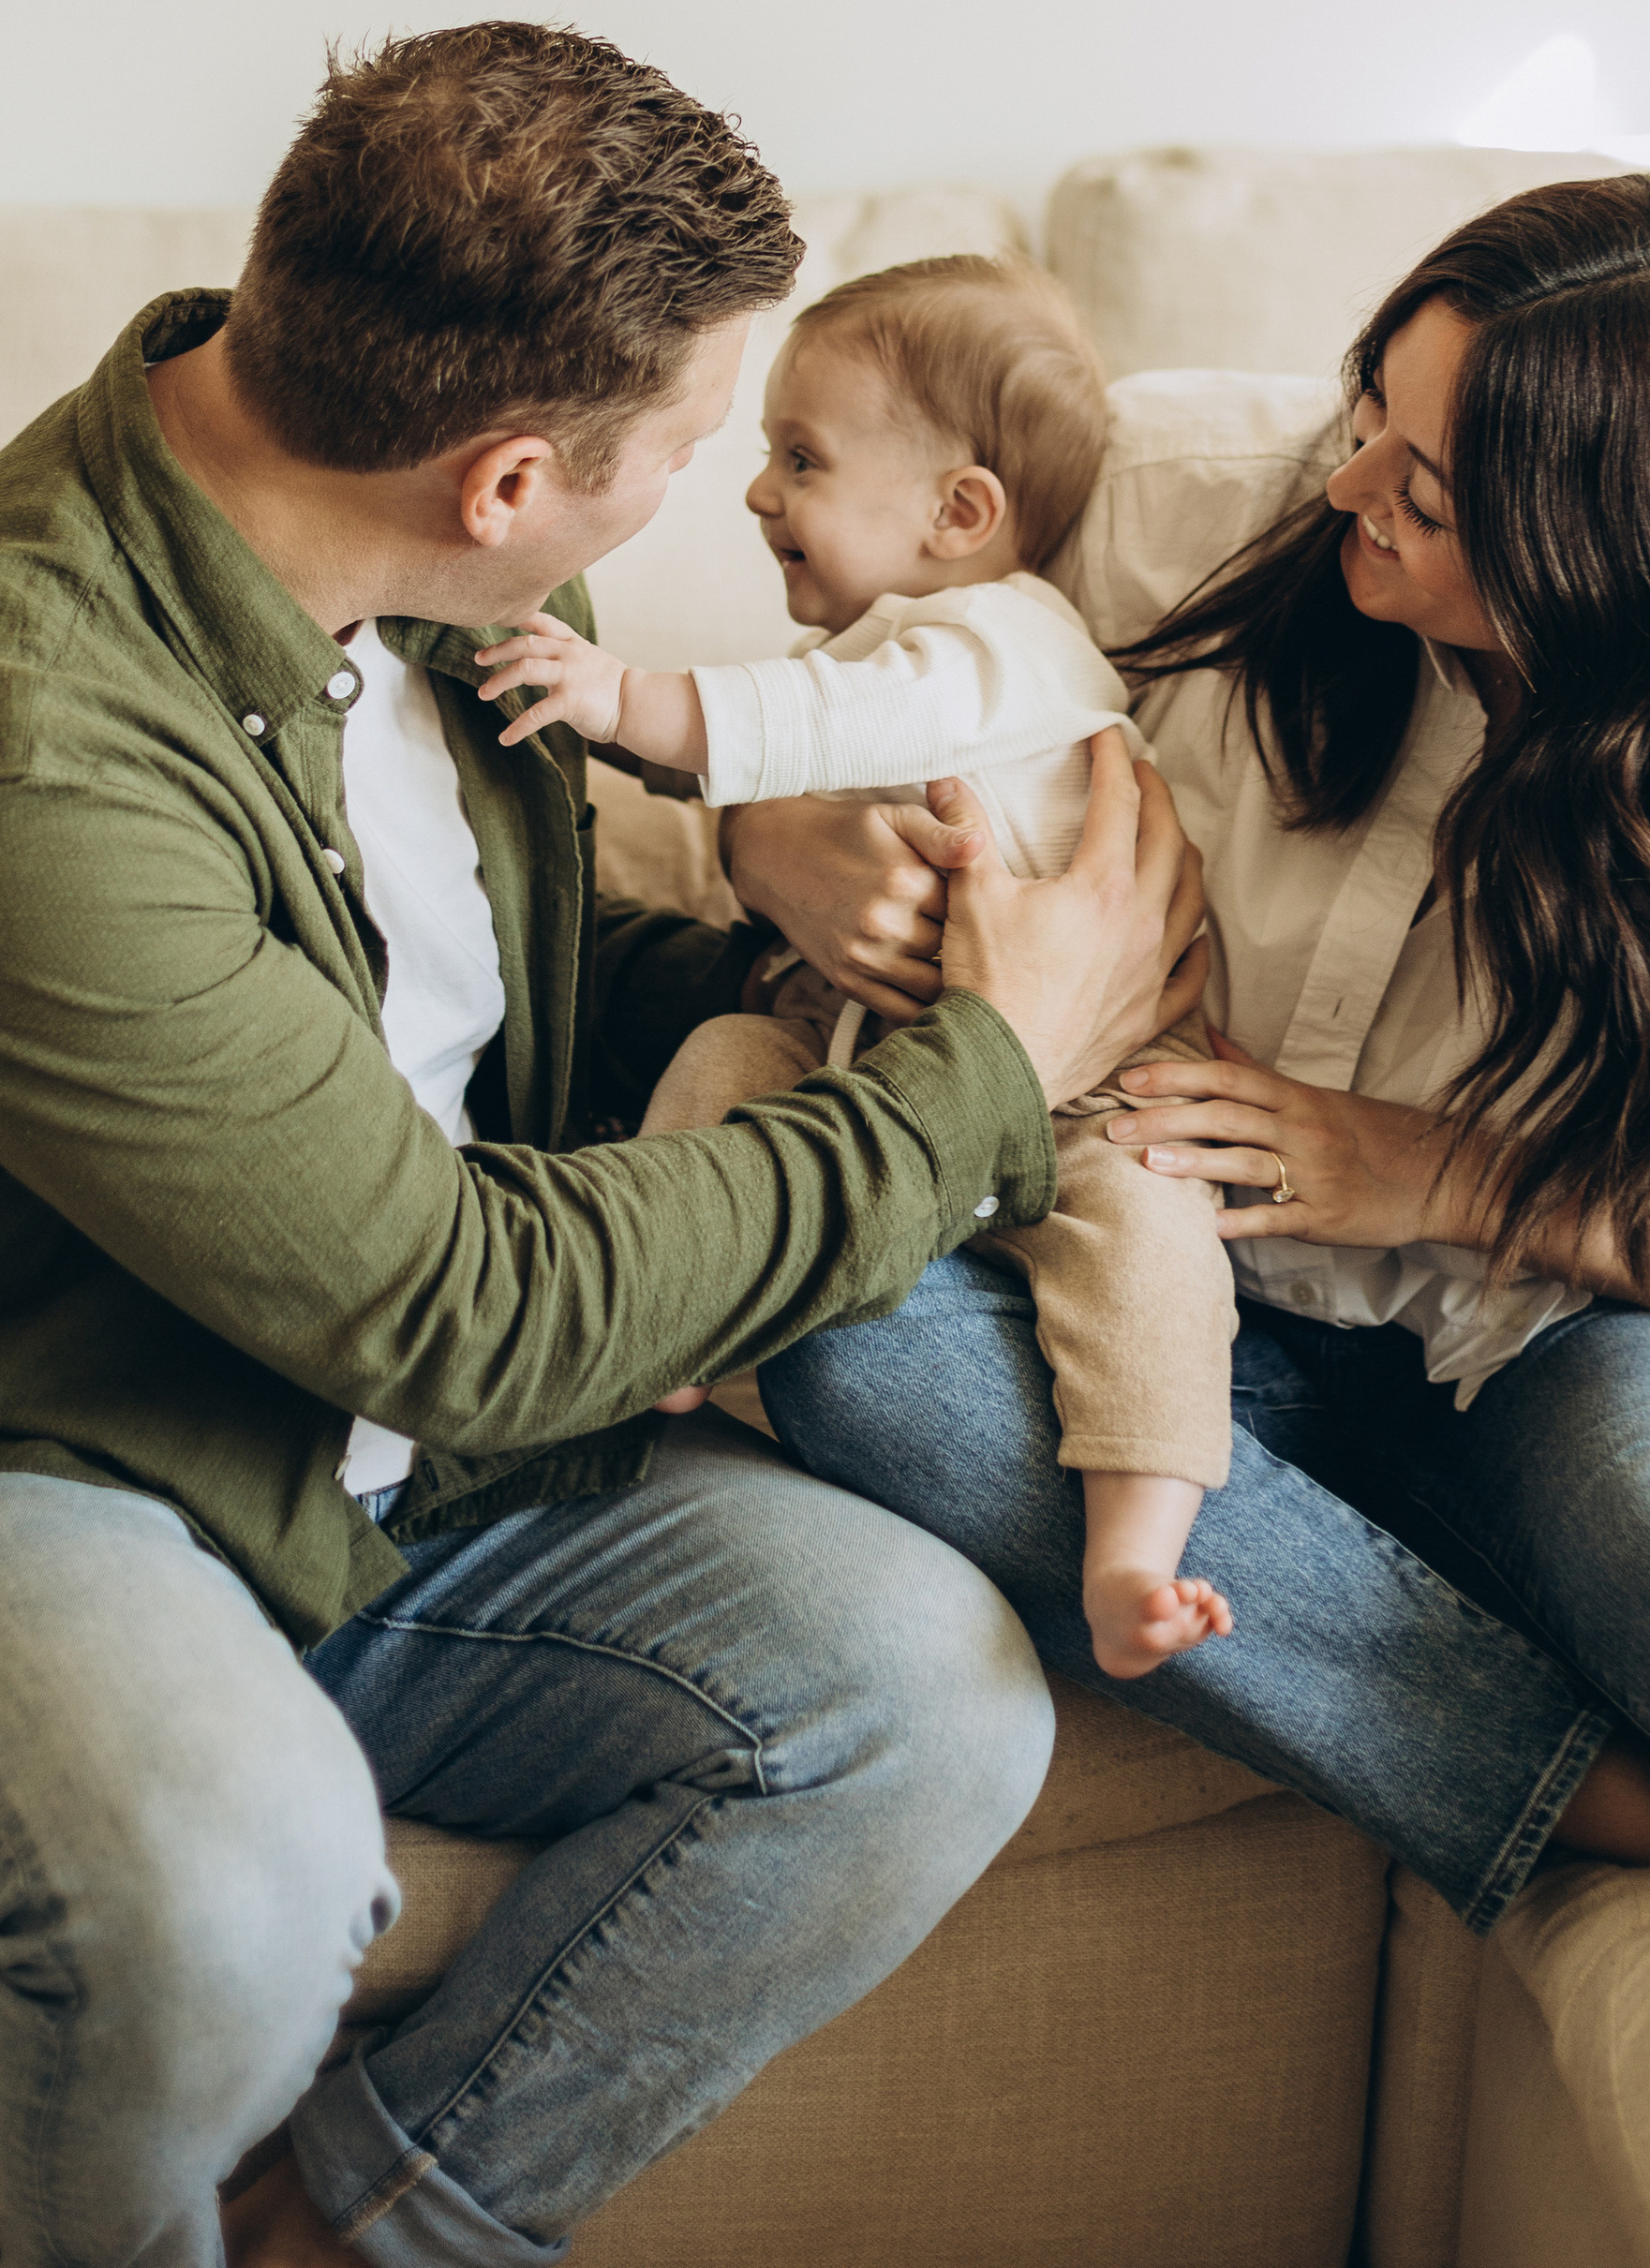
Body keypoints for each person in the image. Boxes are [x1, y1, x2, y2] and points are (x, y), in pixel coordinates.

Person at [0, 22, 1205, 2268]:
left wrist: (795, 936)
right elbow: (462, 1308)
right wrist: (988, 1067)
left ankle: (369, 2230)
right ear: (504, 472)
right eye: (688, 447)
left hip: (392, 1474)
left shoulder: (447, 594)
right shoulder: (1, 745)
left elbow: (478, 981)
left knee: (919, 1702)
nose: (702, 493)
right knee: (224, 1885)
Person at [742, 172, 1650, 2104]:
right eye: (1373, 405)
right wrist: (778, 852)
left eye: (1426, 488)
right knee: (840, 1336)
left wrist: (1441, 1179)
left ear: (1607, 560)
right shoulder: (1192, 512)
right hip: (1160, 1283)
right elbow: (823, 704)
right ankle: (1580, 1789)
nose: (1348, 478)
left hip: (1572, 1323)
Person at [481, 253, 1238, 1680]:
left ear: (961, 515)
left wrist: (623, 698)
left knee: (1150, 1251)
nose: (760, 493)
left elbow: (825, 724)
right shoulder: (899, 641)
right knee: (721, 1065)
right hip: (867, 1058)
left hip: (1088, 1096)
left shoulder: (1000, 642)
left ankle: (1136, 1551)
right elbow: (799, 741)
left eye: (800, 457)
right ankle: (659, 1333)